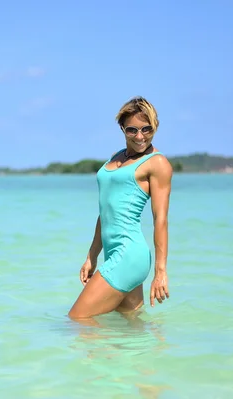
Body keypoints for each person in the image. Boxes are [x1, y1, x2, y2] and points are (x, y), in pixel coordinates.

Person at [68, 96, 173, 322]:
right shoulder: (116, 157)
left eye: (147, 129)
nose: (140, 136)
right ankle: (154, 354)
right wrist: (91, 256)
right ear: (122, 129)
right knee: (131, 329)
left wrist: (160, 271)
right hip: (114, 253)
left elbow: (160, 219)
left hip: (128, 255)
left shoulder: (157, 163)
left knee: (78, 319)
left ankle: (96, 358)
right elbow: (106, 212)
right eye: (132, 130)